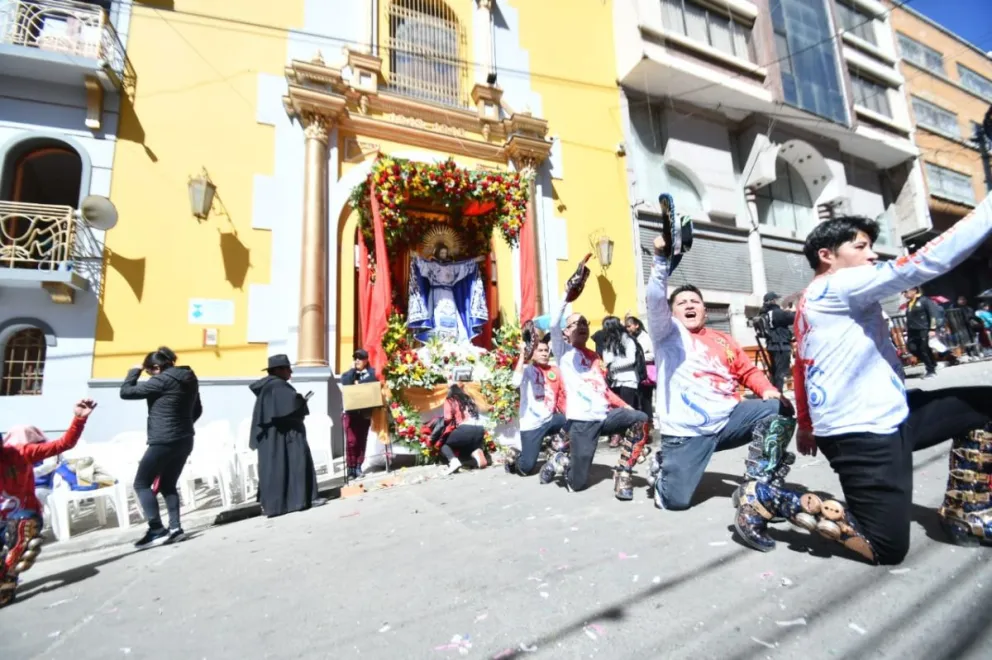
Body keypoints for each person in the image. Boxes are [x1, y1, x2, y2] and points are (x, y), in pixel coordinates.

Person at [734, 193, 992, 564]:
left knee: (983, 406)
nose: (873, 255)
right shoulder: (836, 286)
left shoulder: (818, 299)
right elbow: (924, 262)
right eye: (861, 247)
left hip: (896, 414)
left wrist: (807, 425)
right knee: (884, 547)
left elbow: (802, 366)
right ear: (827, 256)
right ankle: (764, 497)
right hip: (861, 433)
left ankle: (965, 511)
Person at [642, 235, 795, 512]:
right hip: (687, 433)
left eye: (695, 301)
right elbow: (654, 298)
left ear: (704, 309)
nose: (690, 305)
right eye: (682, 302)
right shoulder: (667, 334)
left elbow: (747, 370)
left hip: (728, 421)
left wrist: (768, 389)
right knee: (675, 502)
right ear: (671, 313)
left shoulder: (723, 339)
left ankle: (758, 484)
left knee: (780, 409)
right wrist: (660, 258)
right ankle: (664, 464)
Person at [547, 278, 650, 500]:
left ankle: (623, 471)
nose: (582, 326)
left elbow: (603, 389)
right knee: (577, 484)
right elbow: (554, 324)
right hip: (582, 422)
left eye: (585, 322)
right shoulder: (563, 351)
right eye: (576, 323)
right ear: (566, 333)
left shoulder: (594, 356)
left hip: (605, 416)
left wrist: (625, 406)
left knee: (639, 417)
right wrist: (566, 294)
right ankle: (560, 459)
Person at [0, 399, 97, 607]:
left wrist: (79, 419)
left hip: (23, 515)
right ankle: (7, 582)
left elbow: (63, 444)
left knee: (18, 534)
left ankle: (9, 574)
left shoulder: (20, 453)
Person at [121, 347, 202, 548]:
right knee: (168, 484)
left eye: (149, 371)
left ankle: (157, 529)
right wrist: (182, 424)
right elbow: (197, 408)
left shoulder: (160, 380)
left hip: (163, 440)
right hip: (185, 438)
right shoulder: (190, 378)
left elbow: (126, 392)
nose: (148, 374)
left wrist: (135, 371)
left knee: (141, 484)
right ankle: (175, 529)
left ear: (156, 367)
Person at [249, 354, 325, 518]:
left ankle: (275, 506)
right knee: (297, 463)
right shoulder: (278, 386)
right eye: (287, 368)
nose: (290, 371)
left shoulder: (269, 386)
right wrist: (301, 402)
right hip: (286, 435)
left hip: (274, 438)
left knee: (275, 469)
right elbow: (289, 407)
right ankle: (303, 499)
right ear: (278, 370)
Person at [505, 331, 566, 477]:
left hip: (550, 419)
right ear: (532, 353)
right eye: (540, 351)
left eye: (546, 350)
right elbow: (514, 383)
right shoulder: (526, 370)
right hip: (532, 424)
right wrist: (521, 356)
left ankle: (554, 452)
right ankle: (515, 456)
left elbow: (563, 395)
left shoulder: (555, 370)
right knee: (526, 468)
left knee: (573, 420)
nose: (545, 353)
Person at [600, 316, 645, 448]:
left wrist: (613, 366)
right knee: (616, 410)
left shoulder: (627, 339)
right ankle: (617, 435)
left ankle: (632, 437)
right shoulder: (608, 341)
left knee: (628, 409)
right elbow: (606, 358)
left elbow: (631, 359)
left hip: (628, 379)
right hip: (614, 380)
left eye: (606, 327)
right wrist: (609, 365)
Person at [340, 349, 377, 480]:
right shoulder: (349, 374)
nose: (357, 361)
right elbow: (345, 382)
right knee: (351, 441)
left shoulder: (371, 373)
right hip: (350, 413)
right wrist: (352, 372)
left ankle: (358, 466)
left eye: (360, 358)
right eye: (355, 358)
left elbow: (373, 381)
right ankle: (350, 468)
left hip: (364, 413)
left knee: (361, 440)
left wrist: (358, 384)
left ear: (366, 360)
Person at [438, 385, 489, 475]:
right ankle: (476, 452)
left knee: (444, 444)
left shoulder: (450, 399)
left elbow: (448, 418)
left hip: (465, 428)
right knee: (465, 445)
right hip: (480, 429)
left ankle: (453, 462)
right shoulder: (468, 399)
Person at [759, 292, 796, 392]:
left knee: (775, 372)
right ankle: (778, 396)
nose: (778, 302)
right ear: (773, 301)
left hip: (772, 345)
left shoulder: (765, 313)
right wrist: (793, 311)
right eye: (777, 299)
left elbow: (778, 320)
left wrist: (785, 312)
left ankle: (774, 392)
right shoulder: (777, 312)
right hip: (781, 346)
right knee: (781, 373)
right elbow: (793, 318)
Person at [902, 286, 940, 378]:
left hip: (923, 328)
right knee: (912, 348)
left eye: (906, 291)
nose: (904, 294)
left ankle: (931, 370)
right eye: (903, 292)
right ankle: (932, 362)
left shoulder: (924, 300)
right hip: (912, 330)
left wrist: (932, 329)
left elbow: (933, 315)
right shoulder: (909, 303)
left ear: (914, 291)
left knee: (924, 349)